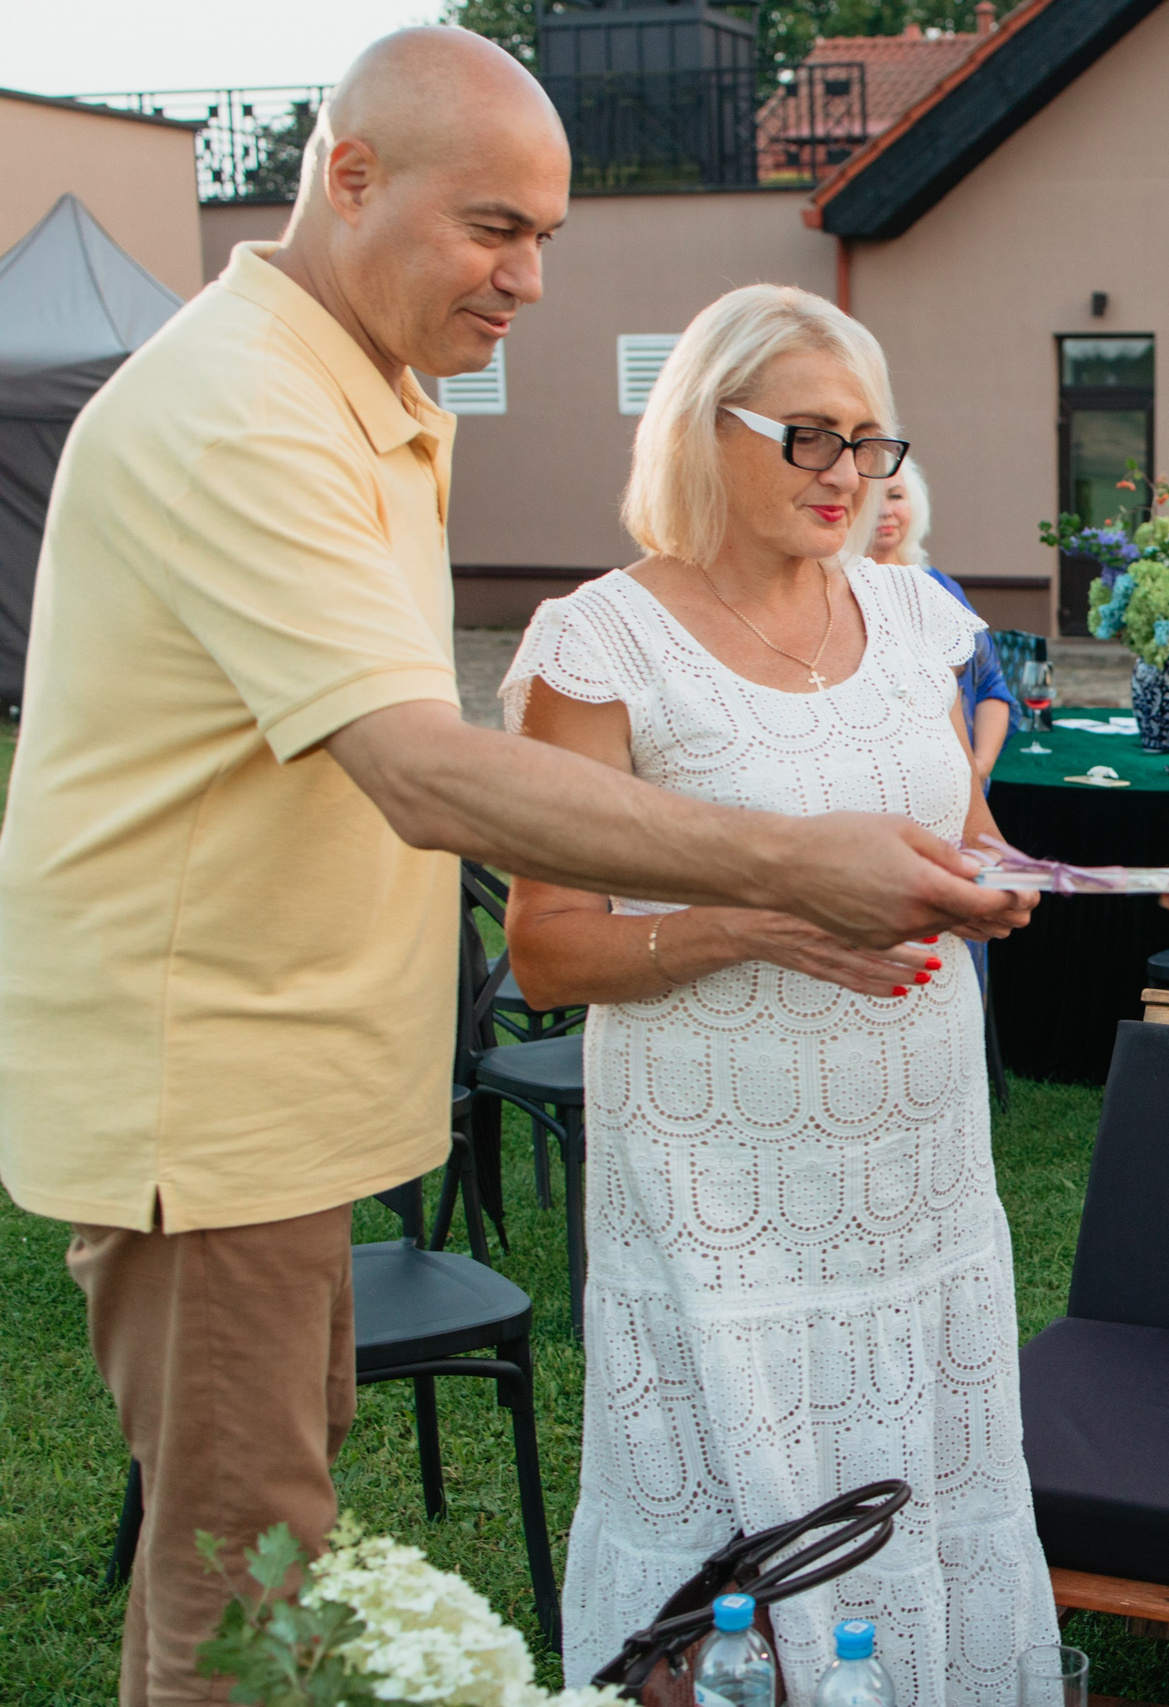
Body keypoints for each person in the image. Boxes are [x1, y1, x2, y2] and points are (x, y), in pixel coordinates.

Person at [0, 33, 1027, 1705]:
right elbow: (422, 769)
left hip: (283, 1089)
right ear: (349, 176)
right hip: (209, 1086)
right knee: (244, 1589)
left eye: (544, 235)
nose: (530, 280)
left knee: (255, 1552)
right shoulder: (244, 409)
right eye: (495, 228)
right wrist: (793, 867)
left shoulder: (369, 395)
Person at [501, 286, 1057, 1707]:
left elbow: (966, 825)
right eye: (811, 436)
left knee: (925, 1468)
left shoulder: (914, 614)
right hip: (722, 1179)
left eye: (871, 442)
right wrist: (762, 925)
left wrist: (998, 880)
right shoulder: (603, 642)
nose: (850, 475)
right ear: (704, 427)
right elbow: (548, 949)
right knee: (732, 1497)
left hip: (918, 1162)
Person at [872, 455, 1019, 788]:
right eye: (871, 499)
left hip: (959, 787)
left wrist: (978, 768)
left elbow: (991, 685)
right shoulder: (833, 593)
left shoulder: (941, 588)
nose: (885, 511)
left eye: (896, 495)